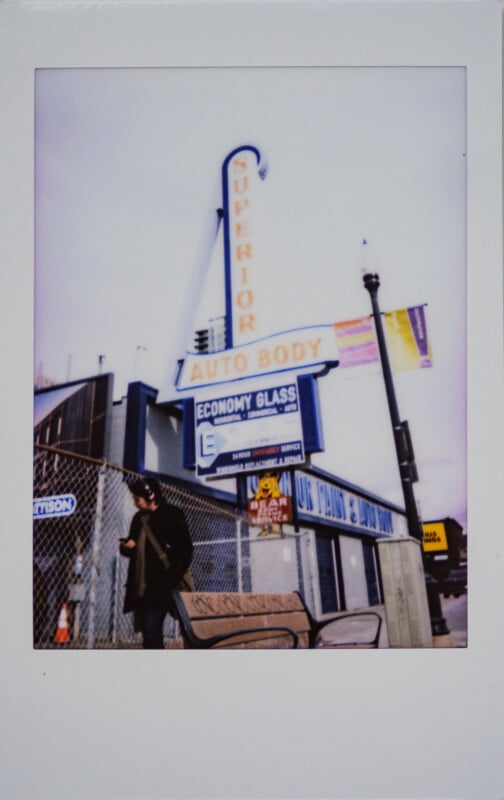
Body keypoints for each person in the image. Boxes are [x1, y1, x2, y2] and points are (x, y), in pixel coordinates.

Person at [119, 477, 193, 649]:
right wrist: (127, 547)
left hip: (166, 584)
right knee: (149, 631)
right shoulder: (139, 519)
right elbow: (133, 547)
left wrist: (170, 579)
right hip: (144, 586)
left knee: (158, 627)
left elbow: (185, 550)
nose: (134, 501)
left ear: (151, 496)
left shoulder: (173, 514)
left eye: (137, 498)